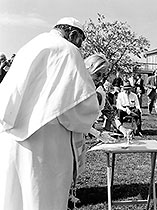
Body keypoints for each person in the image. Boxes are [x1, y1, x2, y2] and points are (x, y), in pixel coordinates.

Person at [0, 17, 100, 210]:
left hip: (12, 135)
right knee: (42, 197)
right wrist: (91, 115)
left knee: (14, 197)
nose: (80, 47)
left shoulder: (30, 46)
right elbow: (79, 105)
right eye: (81, 40)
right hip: (46, 140)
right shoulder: (68, 50)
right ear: (73, 34)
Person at [84, 54, 133, 138]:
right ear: (88, 69)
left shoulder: (98, 87)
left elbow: (109, 111)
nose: (100, 78)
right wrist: (98, 134)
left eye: (103, 75)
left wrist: (122, 129)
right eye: (98, 74)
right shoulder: (76, 86)